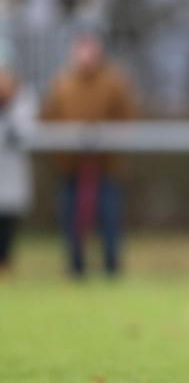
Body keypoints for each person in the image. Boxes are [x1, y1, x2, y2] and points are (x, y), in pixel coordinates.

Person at [42, 32, 138, 278]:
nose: (85, 57)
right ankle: (75, 268)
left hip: (106, 167)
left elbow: (127, 119)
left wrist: (107, 140)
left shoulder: (114, 83)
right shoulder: (62, 84)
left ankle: (111, 268)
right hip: (71, 167)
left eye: (90, 52)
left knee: (109, 219)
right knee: (71, 221)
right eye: (81, 52)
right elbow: (49, 119)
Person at [0, 41, 38, 274]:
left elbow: (25, 130)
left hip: (12, 171)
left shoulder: (22, 98)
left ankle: (5, 265)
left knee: (8, 220)